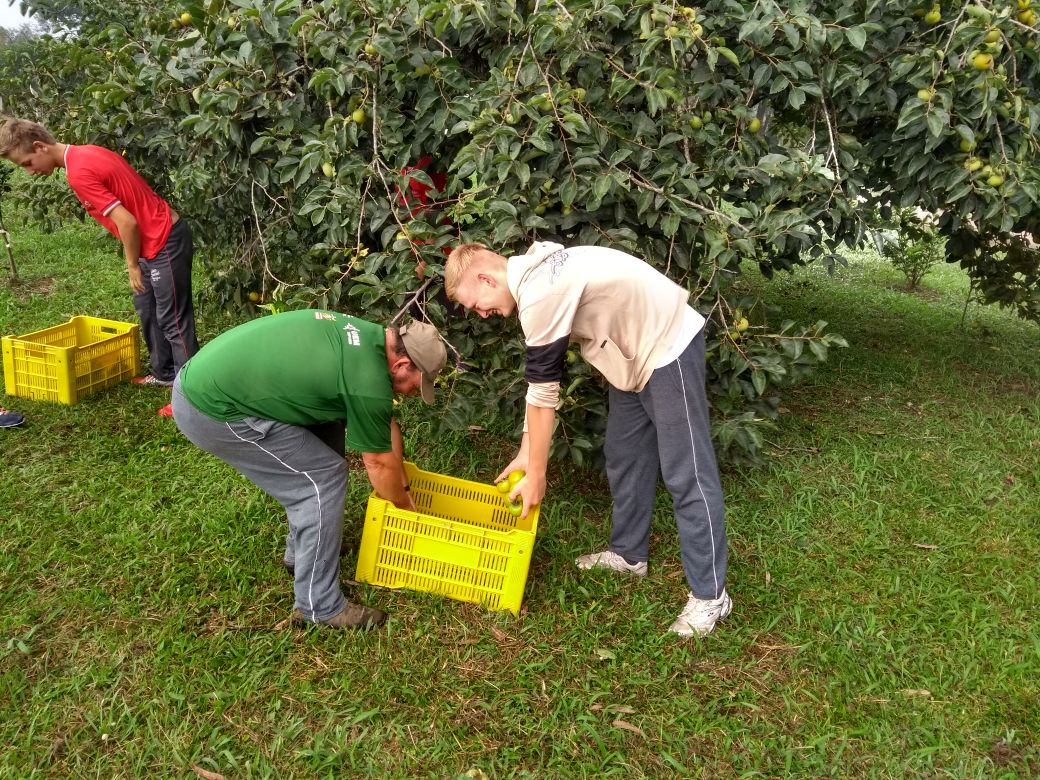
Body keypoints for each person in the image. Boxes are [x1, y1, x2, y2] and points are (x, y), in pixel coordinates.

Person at [445, 241, 731, 637]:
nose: (480, 313)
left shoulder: (540, 293)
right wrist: (527, 454)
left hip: (666, 345)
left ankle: (711, 596)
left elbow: (544, 394)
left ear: (485, 277)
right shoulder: (535, 274)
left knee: (688, 474)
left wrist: (539, 473)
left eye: (476, 303)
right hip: (627, 353)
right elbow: (539, 390)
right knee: (624, 454)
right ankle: (629, 555)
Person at [171, 310, 447, 630]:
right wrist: (405, 511)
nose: (415, 391)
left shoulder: (369, 338)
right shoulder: (367, 382)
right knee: (322, 478)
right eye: (419, 382)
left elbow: (385, 427)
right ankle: (319, 606)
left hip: (212, 379)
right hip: (211, 408)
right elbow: (378, 462)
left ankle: (302, 553)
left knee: (327, 437)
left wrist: (405, 487)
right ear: (402, 365)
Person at [0, 118, 199, 417]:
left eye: (28, 163)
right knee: (146, 306)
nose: (30, 171)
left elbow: (127, 222)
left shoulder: (79, 171)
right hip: (149, 243)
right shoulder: (84, 153)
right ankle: (165, 372)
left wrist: (131, 264)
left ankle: (193, 396)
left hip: (163, 240)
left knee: (173, 320)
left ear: (40, 146)